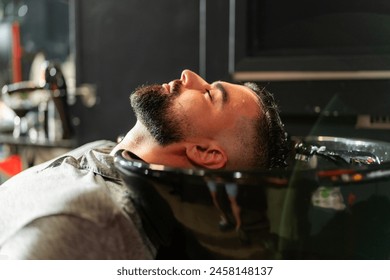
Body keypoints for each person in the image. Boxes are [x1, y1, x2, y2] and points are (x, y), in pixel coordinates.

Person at [0, 69, 288, 259]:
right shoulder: (104, 152)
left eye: (209, 94)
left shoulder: (90, 224)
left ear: (204, 152)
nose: (188, 76)